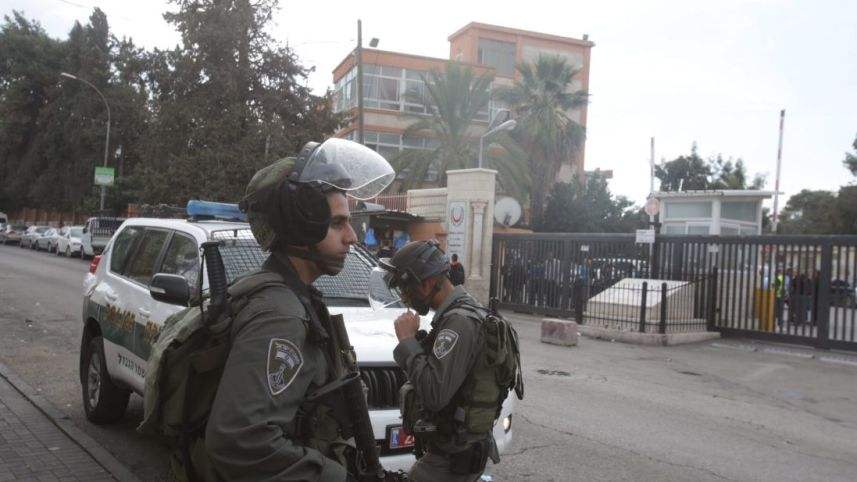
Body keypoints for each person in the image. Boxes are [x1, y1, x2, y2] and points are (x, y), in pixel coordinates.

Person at [203, 138, 395, 481]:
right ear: (301, 226)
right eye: (337, 224)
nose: (352, 236)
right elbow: (239, 439)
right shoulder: (279, 315)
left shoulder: (294, 296)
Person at [380, 240, 519, 482]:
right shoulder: (465, 313)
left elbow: (435, 394)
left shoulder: (459, 323)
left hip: (451, 459)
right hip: (458, 452)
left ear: (427, 284)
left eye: (406, 288)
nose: (404, 297)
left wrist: (407, 341)